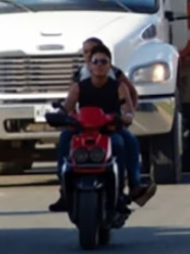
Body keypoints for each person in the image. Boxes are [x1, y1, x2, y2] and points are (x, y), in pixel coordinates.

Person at [49, 41, 154, 212]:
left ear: (109, 64)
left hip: (110, 130)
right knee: (65, 138)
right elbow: (67, 106)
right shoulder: (78, 86)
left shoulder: (119, 86)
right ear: (89, 64)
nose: (99, 65)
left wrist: (126, 116)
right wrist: (59, 116)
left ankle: (128, 188)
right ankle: (64, 190)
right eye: (95, 61)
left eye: (103, 62)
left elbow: (128, 107)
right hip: (83, 130)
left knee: (125, 143)